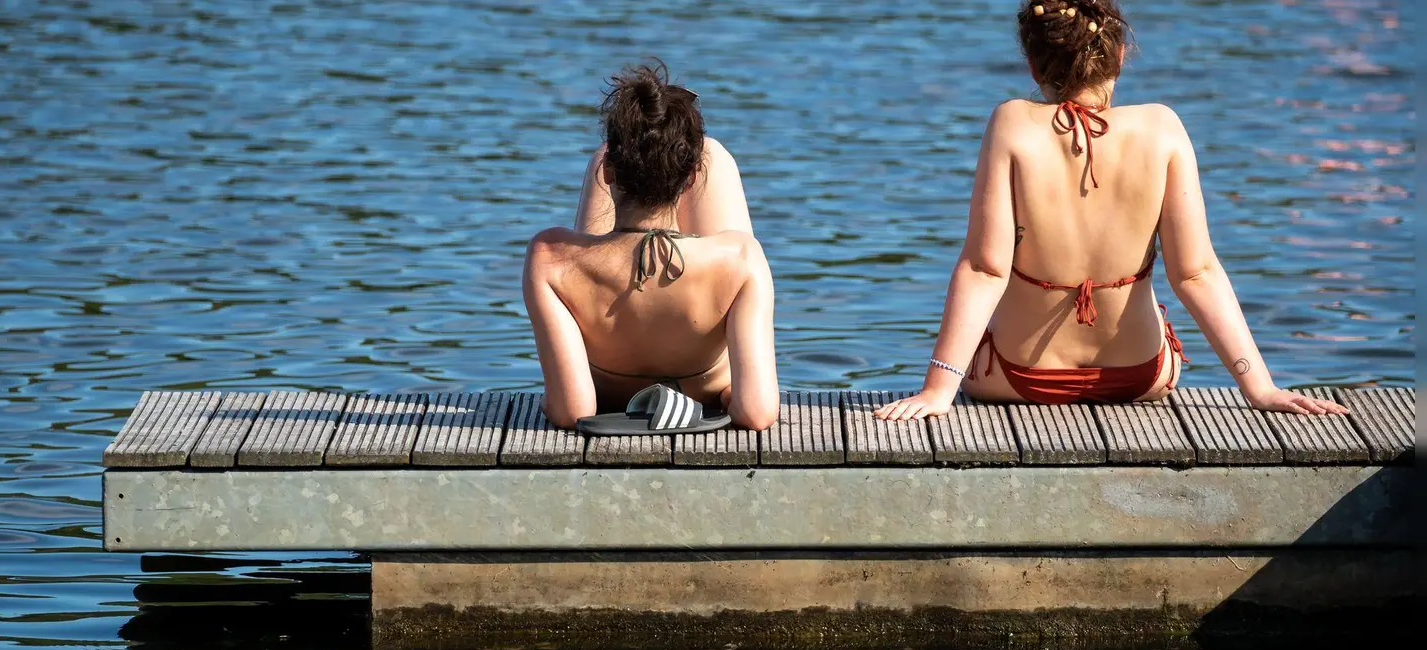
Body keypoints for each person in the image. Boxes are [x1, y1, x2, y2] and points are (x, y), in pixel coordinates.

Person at [877, 0, 1347, 421]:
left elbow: (984, 269)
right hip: (1141, 377)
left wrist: (938, 390)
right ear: (1120, 57)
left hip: (1021, 379)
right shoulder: (1162, 127)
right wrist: (1259, 387)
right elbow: (1197, 274)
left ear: (1034, 68)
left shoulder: (1012, 123)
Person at [523, 62, 779, 430]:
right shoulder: (742, 258)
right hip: (704, 389)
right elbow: (756, 413)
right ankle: (669, 153)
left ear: (609, 174)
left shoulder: (549, 257)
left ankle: (636, 153)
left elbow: (571, 410)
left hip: (612, 395)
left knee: (612, 152)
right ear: (692, 178)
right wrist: (722, 393)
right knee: (712, 150)